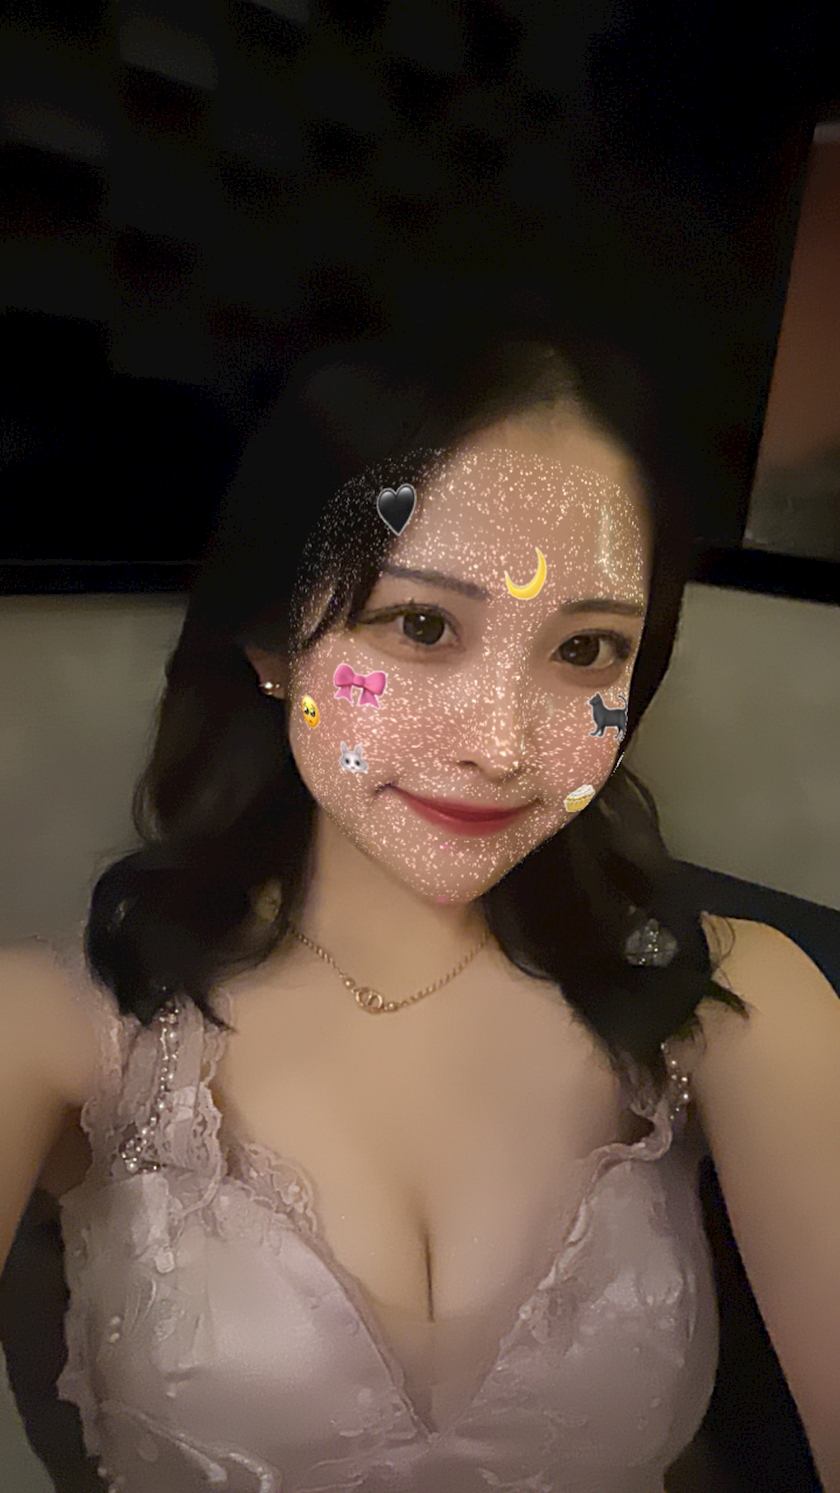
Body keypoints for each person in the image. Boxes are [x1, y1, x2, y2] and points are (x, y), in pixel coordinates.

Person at [14, 330, 759, 1491]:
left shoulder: (734, 997)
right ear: (273, 634)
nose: (501, 744)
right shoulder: (50, 1022)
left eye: (586, 647)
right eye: (420, 624)